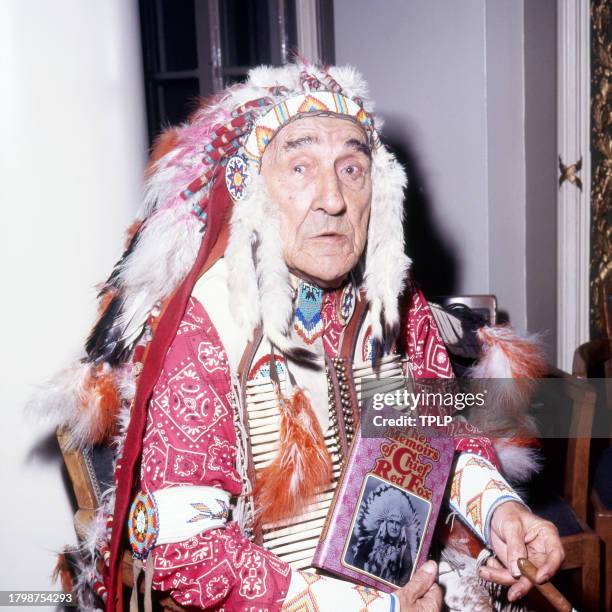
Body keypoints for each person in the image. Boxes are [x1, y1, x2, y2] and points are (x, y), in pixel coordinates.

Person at [42, 60, 564, 611]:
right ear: (254, 189)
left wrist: (503, 514)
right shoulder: (208, 324)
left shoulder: (393, 297)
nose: (332, 199)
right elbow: (186, 549)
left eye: (351, 169)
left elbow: (447, 442)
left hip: (406, 579)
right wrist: (367, 608)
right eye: (300, 166)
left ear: (378, 189)